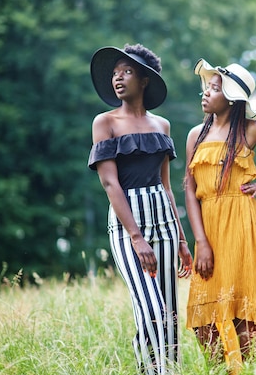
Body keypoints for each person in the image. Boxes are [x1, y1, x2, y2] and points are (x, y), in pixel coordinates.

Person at [87, 44, 193, 375]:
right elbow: (110, 184)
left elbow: (165, 185)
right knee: (151, 310)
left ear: (144, 80)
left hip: (163, 219)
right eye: (115, 73)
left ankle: (166, 371)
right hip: (127, 222)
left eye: (127, 72)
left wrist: (181, 240)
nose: (118, 77)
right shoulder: (105, 123)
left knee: (170, 315)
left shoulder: (162, 125)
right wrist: (135, 237)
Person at [184, 58, 256, 371]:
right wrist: (200, 241)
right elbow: (190, 191)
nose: (206, 93)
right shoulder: (195, 134)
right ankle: (220, 369)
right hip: (209, 225)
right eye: (207, 86)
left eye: (214, 88)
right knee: (205, 313)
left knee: (244, 310)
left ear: (231, 98)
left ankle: (253, 368)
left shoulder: (252, 130)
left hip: (244, 222)